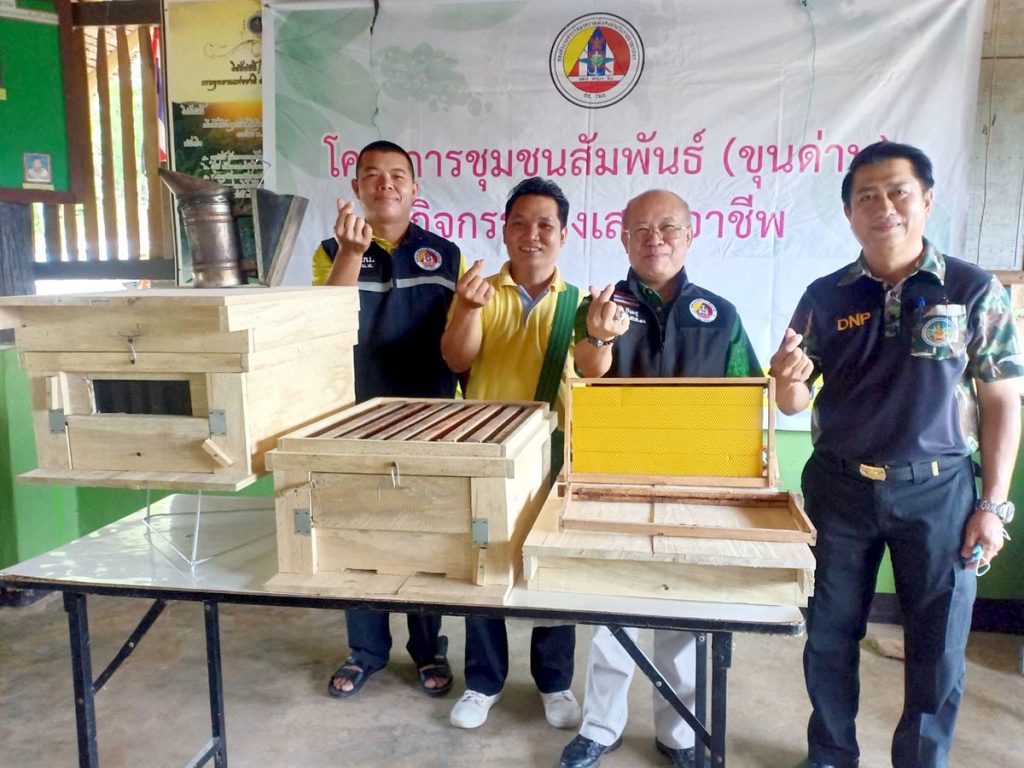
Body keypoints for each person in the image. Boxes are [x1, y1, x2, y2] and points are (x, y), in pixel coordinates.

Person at [768, 140, 1022, 768]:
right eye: (867, 196)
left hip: (940, 494)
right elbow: (793, 402)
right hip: (839, 489)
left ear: (926, 200)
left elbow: (1001, 400)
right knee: (829, 635)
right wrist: (786, 379)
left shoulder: (972, 289)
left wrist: (992, 505)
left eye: (898, 192)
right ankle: (830, 754)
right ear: (849, 213)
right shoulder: (825, 295)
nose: (883, 206)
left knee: (938, 647)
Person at [558, 189, 761, 768]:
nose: (656, 240)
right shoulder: (598, 305)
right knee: (611, 612)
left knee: (682, 613)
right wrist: (599, 335)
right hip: (612, 478)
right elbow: (581, 377)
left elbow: (747, 395)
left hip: (695, 483)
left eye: (668, 228)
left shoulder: (720, 313)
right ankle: (600, 727)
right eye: (641, 230)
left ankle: (679, 735)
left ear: (690, 236)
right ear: (624, 240)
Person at [313, 139, 463, 700]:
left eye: (398, 174)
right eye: (372, 175)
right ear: (356, 188)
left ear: (415, 187)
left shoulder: (445, 254)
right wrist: (352, 254)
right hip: (354, 416)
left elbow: (460, 333)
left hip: (429, 415)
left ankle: (428, 648)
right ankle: (366, 650)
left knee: (425, 538)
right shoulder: (331, 250)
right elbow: (327, 324)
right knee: (357, 536)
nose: (386, 184)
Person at [441, 177, 580, 730]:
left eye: (545, 224)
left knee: (552, 567)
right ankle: (482, 683)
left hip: (552, 456)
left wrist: (599, 337)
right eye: (520, 223)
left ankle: (555, 682)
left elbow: (595, 374)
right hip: (485, 452)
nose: (532, 234)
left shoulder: (580, 303)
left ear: (563, 235)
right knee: (484, 566)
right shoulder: (478, 290)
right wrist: (467, 309)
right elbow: (457, 360)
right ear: (504, 231)